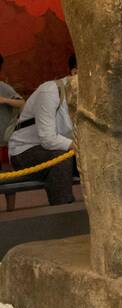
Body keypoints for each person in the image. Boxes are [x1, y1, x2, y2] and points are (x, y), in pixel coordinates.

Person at [7, 58, 77, 205]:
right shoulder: (50, 91)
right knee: (61, 157)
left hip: (62, 151)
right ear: (74, 72)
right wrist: (79, 147)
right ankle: (63, 211)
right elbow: (48, 139)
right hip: (24, 152)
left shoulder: (88, 98)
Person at [0, 55, 26, 212]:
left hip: (2, 141)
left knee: (7, 177)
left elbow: (22, 103)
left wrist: (4, 100)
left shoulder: (3, 87)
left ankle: (11, 211)